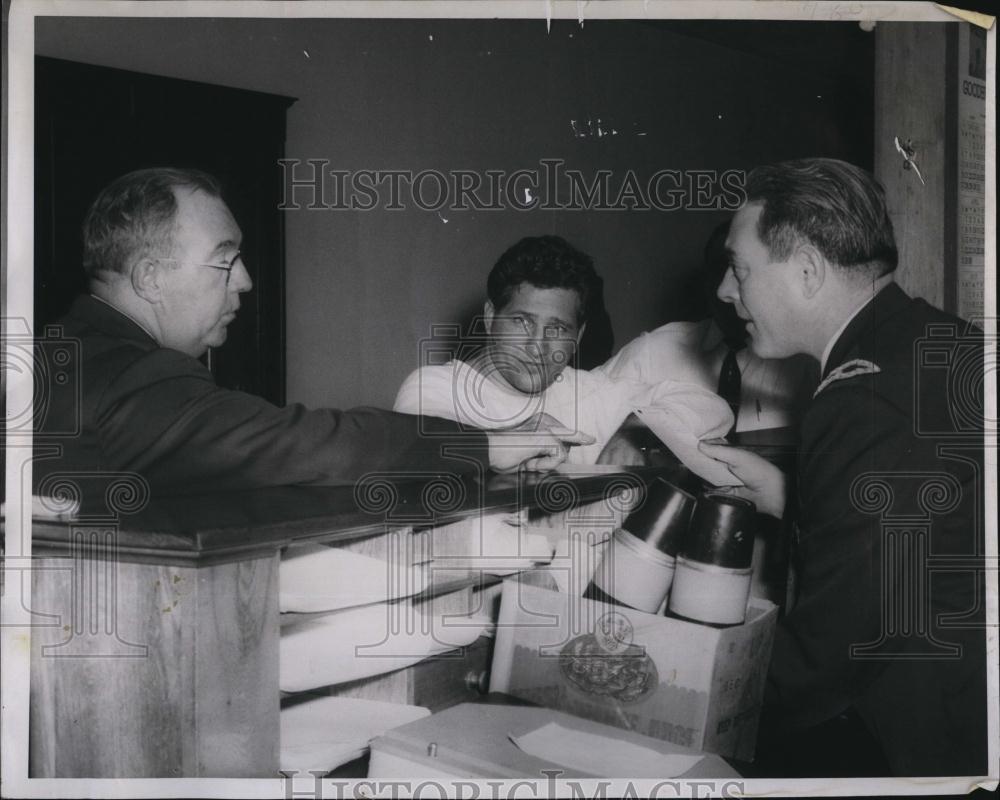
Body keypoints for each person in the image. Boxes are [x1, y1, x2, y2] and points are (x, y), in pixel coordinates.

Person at [33, 168, 587, 494]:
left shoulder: (70, 351)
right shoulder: (129, 376)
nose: (246, 281)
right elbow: (307, 444)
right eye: (225, 261)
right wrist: (487, 442)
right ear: (150, 277)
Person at [699, 158, 986, 777]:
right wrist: (788, 493)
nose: (726, 291)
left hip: (918, 744)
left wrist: (689, 694)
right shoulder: (939, 340)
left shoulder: (861, 403)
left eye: (739, 268)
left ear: (806, 271)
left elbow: (830, 657)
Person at [393, 235, 732, 465]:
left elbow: (712, 409)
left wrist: (637, 432)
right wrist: (513, 437)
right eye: (523, 322)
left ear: (579, 335)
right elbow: (427, 452)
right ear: (490, 316)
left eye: (556, 329)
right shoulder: (436, 388)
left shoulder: (587, 392)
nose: (537, 346)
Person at [600, 220, 818, 433]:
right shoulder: (654, 351)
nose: (724, 290)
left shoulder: (805, 364)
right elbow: (581, 405)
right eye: (717, 270)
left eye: (739, 272)